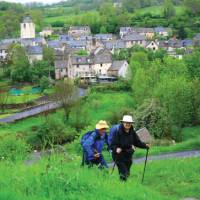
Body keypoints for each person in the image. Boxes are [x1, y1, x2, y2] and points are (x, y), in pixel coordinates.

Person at [111, 115, 150, 181]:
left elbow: (137, 142)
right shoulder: (117, 132)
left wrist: (145, 146)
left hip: (128, 154)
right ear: (123, 123)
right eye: (126, 122)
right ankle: (123, 186)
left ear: (131, 124)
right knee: (123, 172)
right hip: (118, 155)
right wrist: (116, 149)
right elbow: (112, 144)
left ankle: (124, 185)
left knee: (127, 173)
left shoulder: (132, 132)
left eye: (129, 123)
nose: (127, 124)